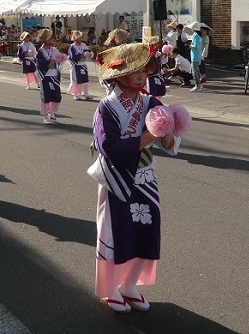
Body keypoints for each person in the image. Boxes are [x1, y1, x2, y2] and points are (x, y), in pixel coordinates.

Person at [88, 42, 180, 313]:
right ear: (119, 76)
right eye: (134, 70)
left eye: (143, 70)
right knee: (117, 231)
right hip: (117, 177)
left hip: (145, 176)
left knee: (146, 229)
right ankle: (110, 287)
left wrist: (171, 130)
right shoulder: (106, 107)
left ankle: (129, 283)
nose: (141, 75)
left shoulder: (151, 102)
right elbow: (110, 147)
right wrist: (149, 137)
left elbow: (167, 142)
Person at [35, 28, 63, 124]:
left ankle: (52, 112)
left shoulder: (54, 50)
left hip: (54, 75)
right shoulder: (41, 51)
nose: (52, 41)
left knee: (55, 95)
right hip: (45, 76)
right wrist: (49, 62)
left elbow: (59, 58)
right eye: (51, 39)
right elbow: (39, 63)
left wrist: (61, 59)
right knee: (47, 95)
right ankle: (46, 115)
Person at [67, 30, 93, 100]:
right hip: (76, 65)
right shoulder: (72, 46)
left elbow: (88, 51)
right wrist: (82, 54)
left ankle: (86, 93)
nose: (81, 39)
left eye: (82, 37)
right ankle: (76, 94)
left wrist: (89, 53)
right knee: (76, 81)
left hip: (83, 64)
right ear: (76, 38)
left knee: (85, 80)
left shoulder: (83, 45)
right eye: (80, 38)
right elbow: (73, 57)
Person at [145, 36, 168, 100]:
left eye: (158, 44)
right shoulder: (146, 53)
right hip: (150, 76)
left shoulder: (159, 53)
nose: (157, 46)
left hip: (158, 75)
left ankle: (156, 104)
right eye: (155, 44)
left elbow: (164, 62)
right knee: (151, 93)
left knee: (160, 91)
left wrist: (165, 55)